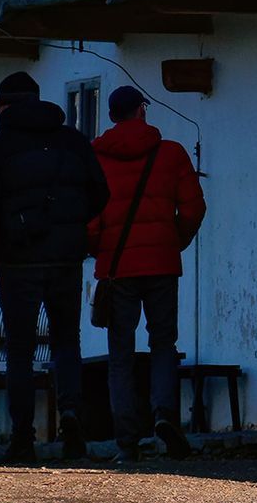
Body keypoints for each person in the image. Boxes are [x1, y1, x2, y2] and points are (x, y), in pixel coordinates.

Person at [0, 70, 108, 462]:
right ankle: (72, 418)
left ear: (6, 106)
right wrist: (72, 228)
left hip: (16, 262)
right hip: (65, 258)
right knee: (67, 341)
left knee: (20, 349)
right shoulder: (73, 141)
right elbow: (100, 193)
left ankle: (23, 436)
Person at [85, 84, 206, 461]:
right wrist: (173, 241)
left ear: (111, 116)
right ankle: (164, 416)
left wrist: (99, 249)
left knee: (120, 352)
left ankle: (126, 439)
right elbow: (193, 208)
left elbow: (88, 218)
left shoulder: (96, 159)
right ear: (142, 111)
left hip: (117, 269)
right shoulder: (170, 154)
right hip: (161, 265)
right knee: (163, 344)